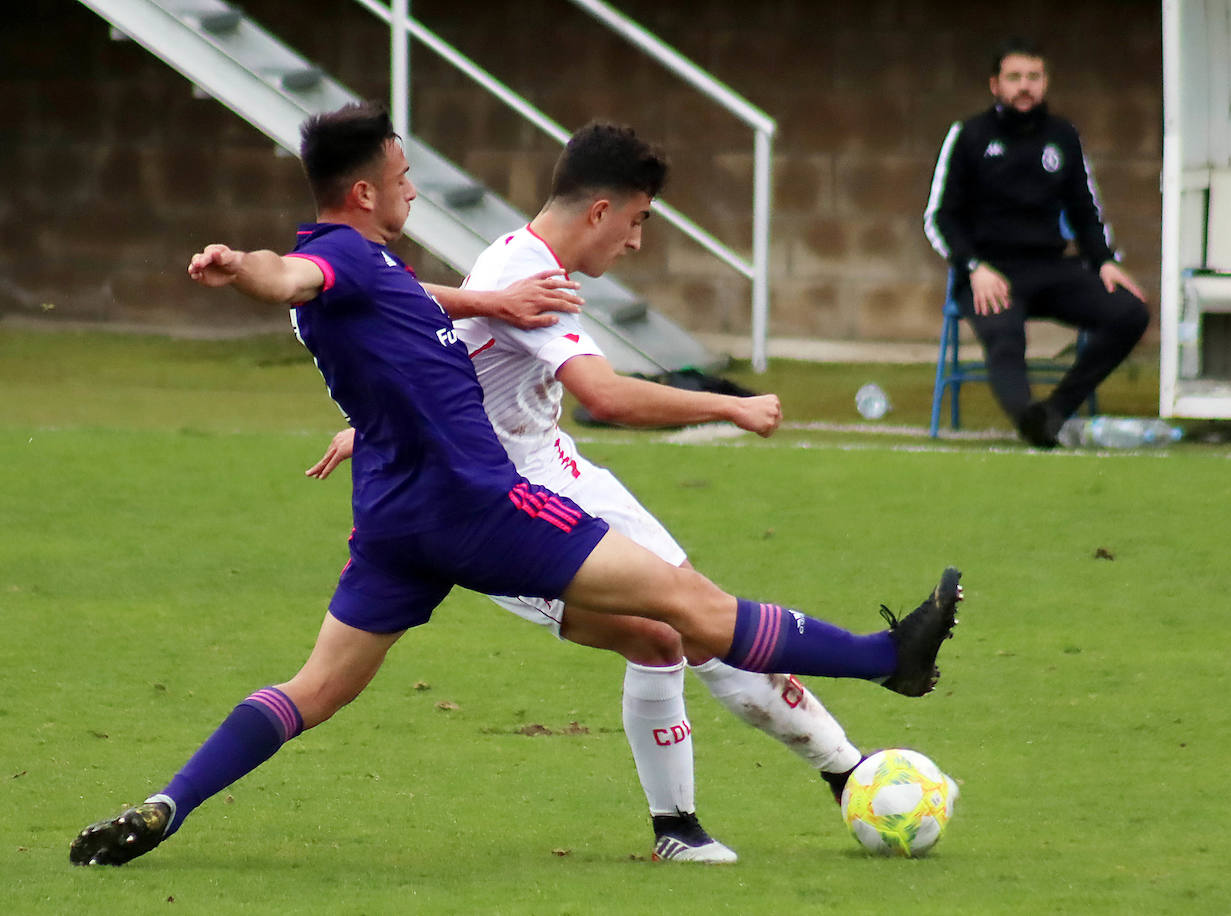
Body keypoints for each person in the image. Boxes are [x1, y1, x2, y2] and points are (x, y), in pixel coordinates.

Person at [69, 102, 963, 868]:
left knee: (316, 689)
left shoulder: (376, 270)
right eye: (403, 174)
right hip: (481, 502)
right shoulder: (330, 262)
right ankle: (887, 660)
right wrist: (244, 269)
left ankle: (167, 803)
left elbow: (410, 305)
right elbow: (293, 275)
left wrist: (485, 306)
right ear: (365, 192)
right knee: (686, 605)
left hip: (392, 516)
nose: (415, 187)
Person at [304, 121, 874, 863]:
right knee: (670, 631)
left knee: (698, 618)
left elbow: (446, 360)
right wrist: (730, 406)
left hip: (564, 472)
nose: (636, 242)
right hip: (494, 507)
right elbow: (606, 396)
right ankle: (762, 796)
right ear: (600, 212)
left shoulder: (527, 266)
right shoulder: (520, 271)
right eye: (637, 221)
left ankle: (827, 776)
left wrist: (372, 429)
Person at [923, 36, 1151, 448]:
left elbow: (1085, 209)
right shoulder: (969, 135)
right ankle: (1030, 420)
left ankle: (1054, 411)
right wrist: (974, 268)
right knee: (1007, 335)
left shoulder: (1063, 136)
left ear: (1045, 82)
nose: (1024, 86)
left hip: (1050, 269)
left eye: (1033, 77)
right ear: (996, 85)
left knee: (1130, 312)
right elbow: (940, 218)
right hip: (989, 272)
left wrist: (1103, 260)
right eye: (1014, 78)